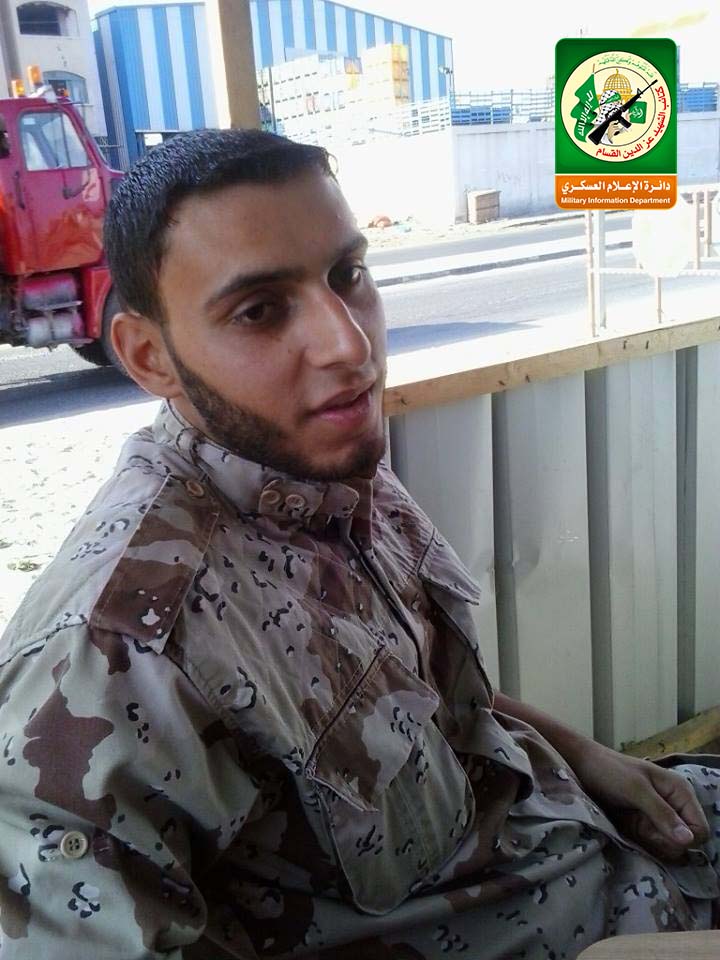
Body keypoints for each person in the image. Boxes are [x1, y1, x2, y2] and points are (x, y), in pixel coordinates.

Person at [0, 128, 718, 960]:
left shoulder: (322, 467)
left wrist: (590, 758)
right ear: (149, 356)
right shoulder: (112, 656)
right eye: (260, 310)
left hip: (585, 830)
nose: (350, 345)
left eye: (347, 275)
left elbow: (427, 698)